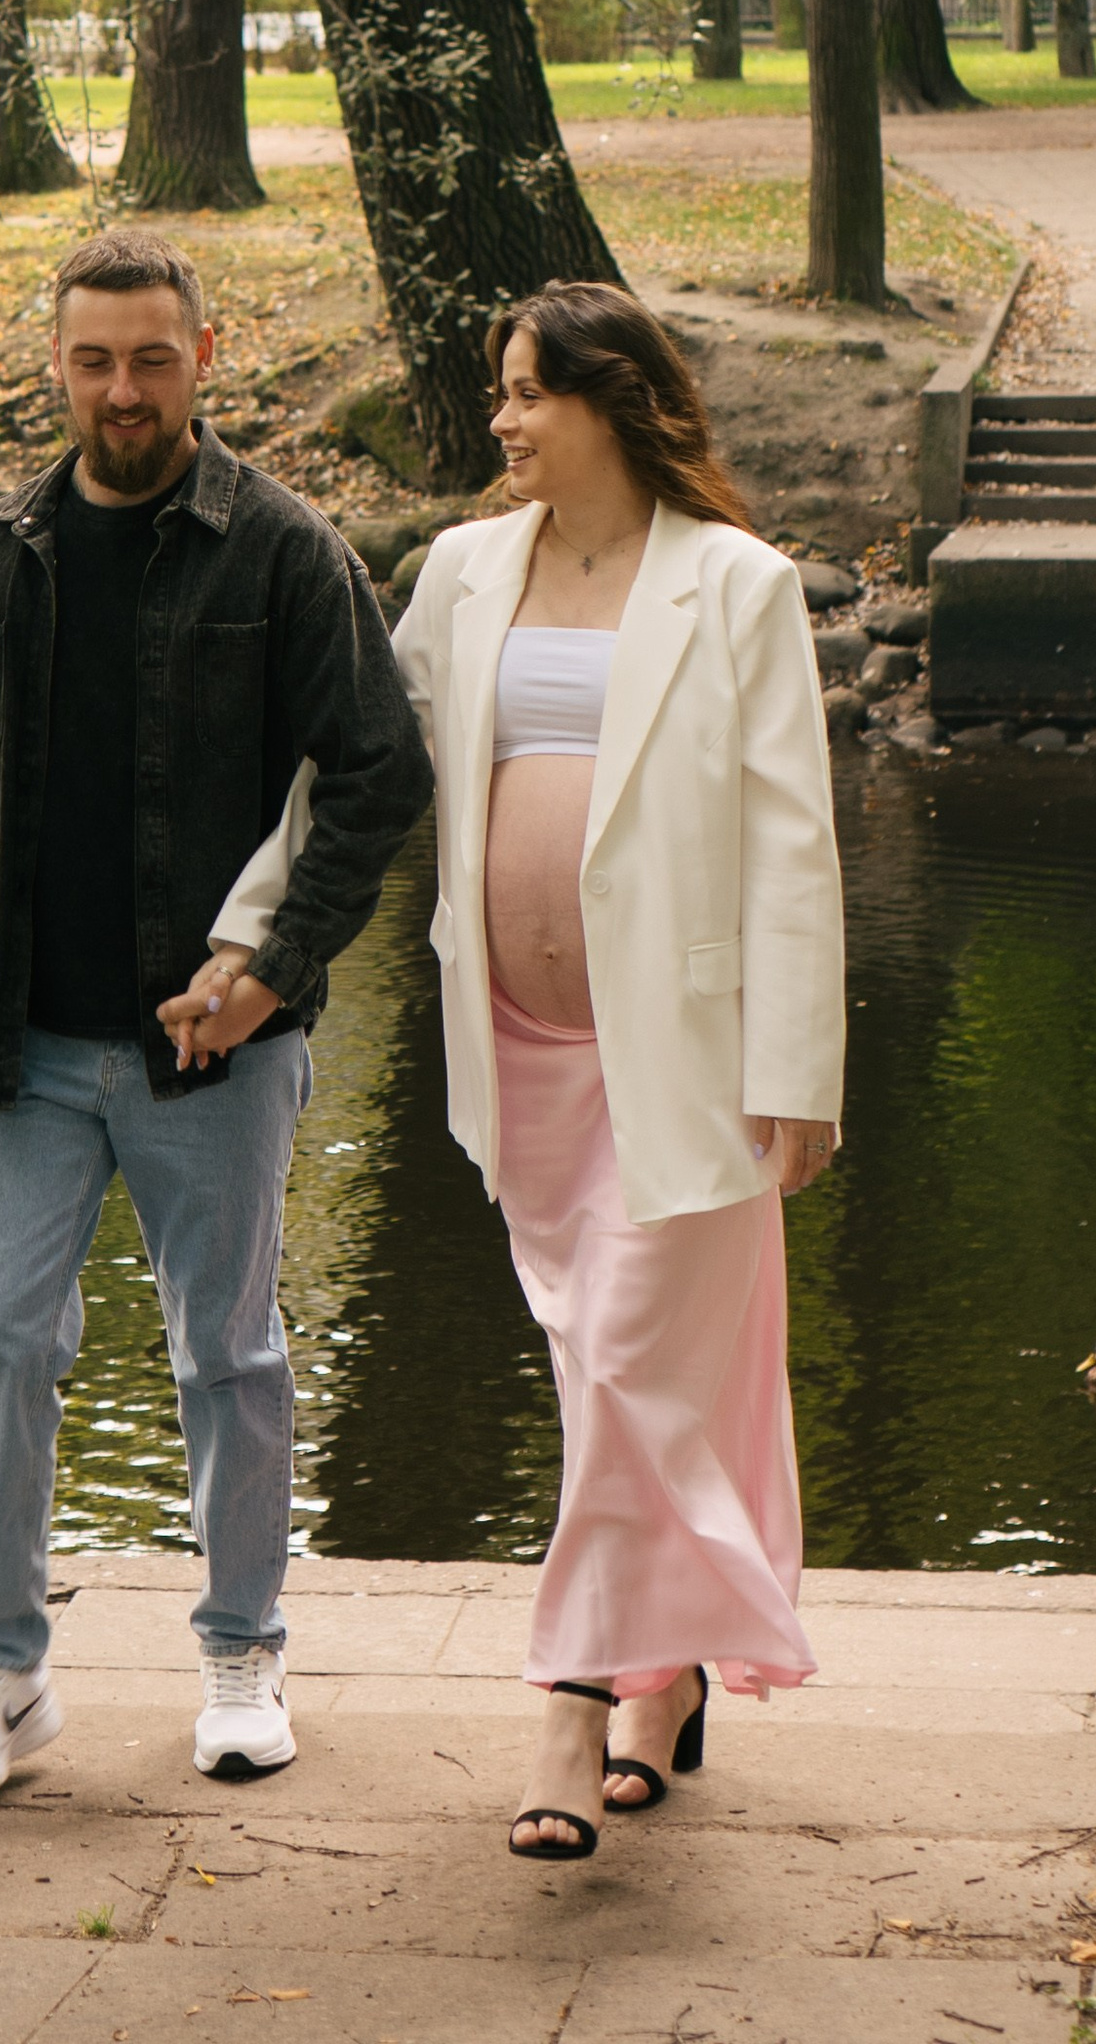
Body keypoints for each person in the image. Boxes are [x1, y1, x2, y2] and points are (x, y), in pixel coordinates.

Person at [174, 279, 845, 1867]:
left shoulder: (737, 587)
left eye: (530, 391)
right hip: (520, 1054)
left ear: (615, 400)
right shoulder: (466, 575)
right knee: (603, 1371)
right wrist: (250, 944)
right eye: (502, 392)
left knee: (622, 1362)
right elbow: (355, 778)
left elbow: (792, 839)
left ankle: (568, 1695)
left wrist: (800, 1066)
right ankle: (659, 1674)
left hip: (682, 1057)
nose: (503, 421)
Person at [0, 225, 431, 1804]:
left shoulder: (284, 552)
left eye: (153, 357)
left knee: (224, 1353)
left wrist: (277, 969)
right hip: (24, 1042)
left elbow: (380, 773)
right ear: (58, 366)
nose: (124, 390)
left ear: (203, 359)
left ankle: (240, 1649)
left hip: (213, 1048)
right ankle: (4, 1674)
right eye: (95, 360)